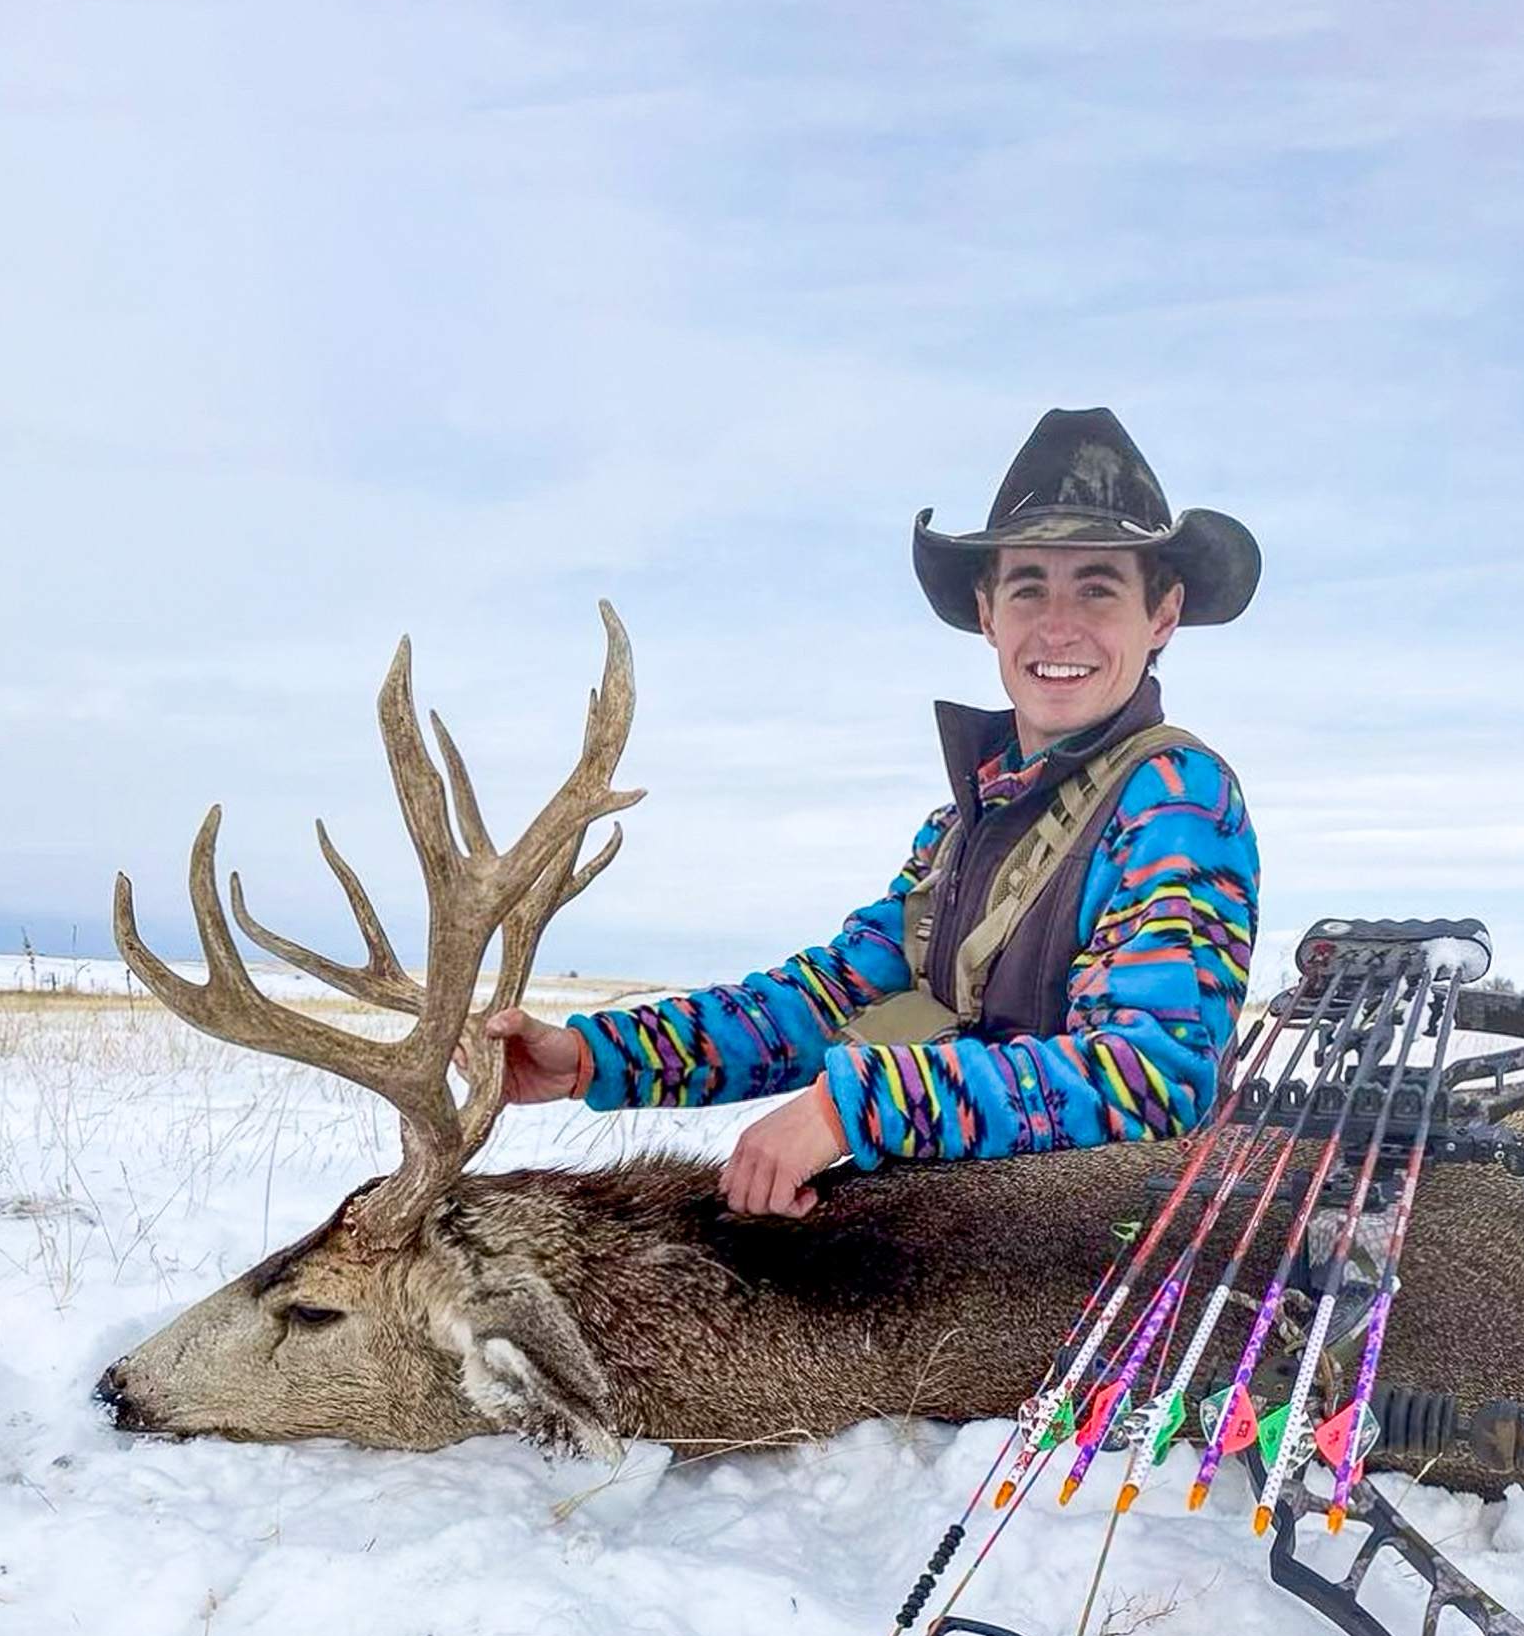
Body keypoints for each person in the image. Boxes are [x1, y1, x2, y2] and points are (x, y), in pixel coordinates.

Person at [486, 407, 1261, 1219]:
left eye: (1097, 588)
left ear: (1162, 615)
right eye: (1029, 586)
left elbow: (1149, 1077)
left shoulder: (1175, 797)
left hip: (1085, 1265)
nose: (1058, 626)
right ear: (989, 612)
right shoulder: (962, 828)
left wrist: (847, 1109)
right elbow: (826, 1001)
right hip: (951, 1241)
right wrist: (587, 1057)